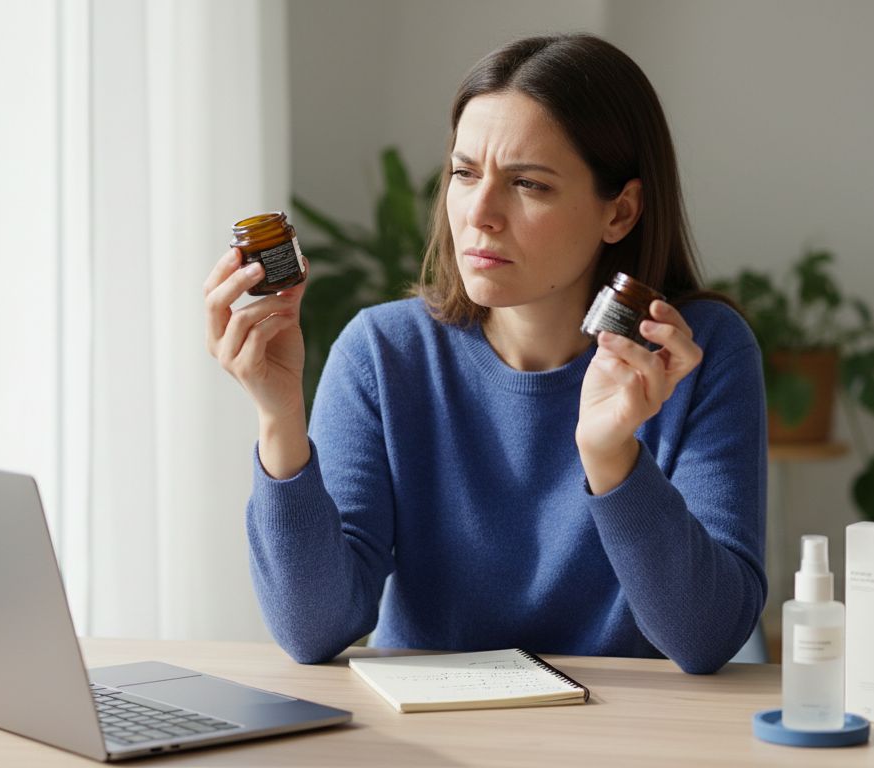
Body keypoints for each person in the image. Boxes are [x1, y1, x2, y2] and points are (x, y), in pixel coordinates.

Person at [204, 34, 766, 674]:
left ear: (621, 211)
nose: (480, 212)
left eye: (528, 183)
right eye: (465, 173)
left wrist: (612, 458)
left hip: (620, 735)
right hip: (432, 734)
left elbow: (707, 637)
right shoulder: (384, 352)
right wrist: (280, 420)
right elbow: (314, 630)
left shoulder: (696, 354)